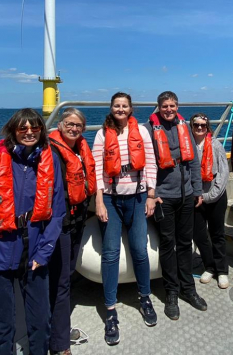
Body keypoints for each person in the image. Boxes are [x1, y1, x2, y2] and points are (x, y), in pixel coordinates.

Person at [0, 109, 66, 355]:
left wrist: (43, 253)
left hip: (34, 250)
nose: (29, 132)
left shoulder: (51, 161)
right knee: (0, 325)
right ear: (13, 131)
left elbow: (57, 211)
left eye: (35, 128)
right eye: (23, 128)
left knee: (40, 320)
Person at [92, 92, 158, 346]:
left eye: (124, 106)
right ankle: (110, 310)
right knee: (110, 254)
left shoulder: (141, 131)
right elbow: (98, 168)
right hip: (110, 198)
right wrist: (99, 200)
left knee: (139, 250)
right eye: (116, 106)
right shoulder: (101, 134)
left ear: (131, 109)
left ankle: (145, 297)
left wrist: (151, 194)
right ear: (111, 108)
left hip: (139, 197)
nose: (120, 109)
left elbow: (150, 162)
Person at [144, 91, 207, 320]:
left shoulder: (184, 126)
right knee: (168, 244)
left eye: (172, 105)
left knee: (185, 243)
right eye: (164, 106)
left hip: (187, 195)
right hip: (164, 197)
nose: (169, 109)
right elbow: (145, 165)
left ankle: (188, 289)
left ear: (177, 106)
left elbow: (194, 162)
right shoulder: (149, 129)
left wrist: (197, 189)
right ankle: (171, 292)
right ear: (158, 107)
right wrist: (151, 194)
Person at [46, 108, 96, 355]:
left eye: (78, 125)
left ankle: (56, 328)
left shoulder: (80, 149)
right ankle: (59, 343)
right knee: (61, 280)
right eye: (69, 123)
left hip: (77, 220)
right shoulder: (51, 150)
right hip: (60, 224)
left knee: (65, 275)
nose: (74, 128)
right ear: (60, 124)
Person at [189, 113, 230, 289]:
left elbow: (223, 172)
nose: (199, 128)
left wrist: (211, 195)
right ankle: (209, 266)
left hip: (215, 195)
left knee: (217, 234)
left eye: (203, 126)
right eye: (196, 125)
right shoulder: (187, 147)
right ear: (191, 127)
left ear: (207, 128)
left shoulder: (215, 145)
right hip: (194, 198)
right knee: (199, 234)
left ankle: (222, 270)